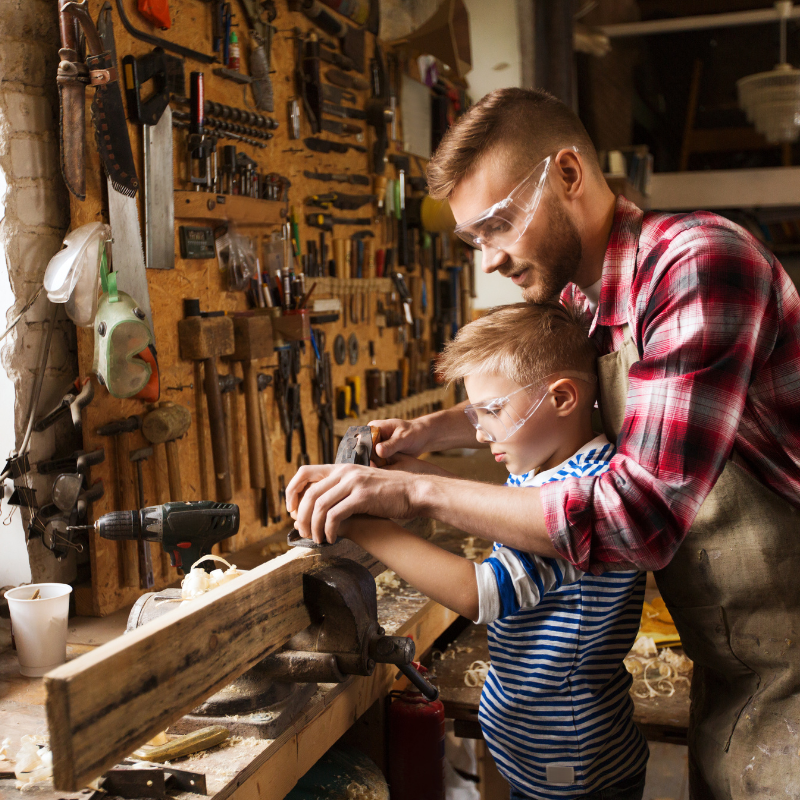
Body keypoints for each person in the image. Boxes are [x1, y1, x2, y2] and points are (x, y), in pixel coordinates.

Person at [287, 88, 800, 796]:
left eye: (498, 225)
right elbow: (556, 397)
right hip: (734, 660)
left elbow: (635, 517)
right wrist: (427, 433)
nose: (489, 258)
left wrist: (416, 489)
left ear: (567, 175)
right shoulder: (583, 302)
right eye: (474, 240)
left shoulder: (695, 264)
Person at [330, 302, 649, 799]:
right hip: (535, 747)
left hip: (570, 762)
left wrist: (363, 527)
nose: (479, 431)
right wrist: (401, 472)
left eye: (493, 410)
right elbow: (496, 506)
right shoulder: (551, 465)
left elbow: (480, 593)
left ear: (562, 398)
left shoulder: (578, 494)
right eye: (475, 412)